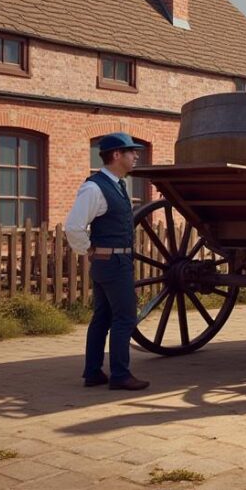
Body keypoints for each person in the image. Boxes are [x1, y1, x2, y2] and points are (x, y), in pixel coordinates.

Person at [64, 132, 150, 390]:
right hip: (112, 262)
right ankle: (121, 375)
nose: (136, 156)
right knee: (124, 318)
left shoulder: (117, 184)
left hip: (112, 262)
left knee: (102, 316)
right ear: (116, 155)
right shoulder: (94, 187)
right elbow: (74, 227)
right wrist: (88, 249)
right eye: (131, 152)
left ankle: (92, 372)